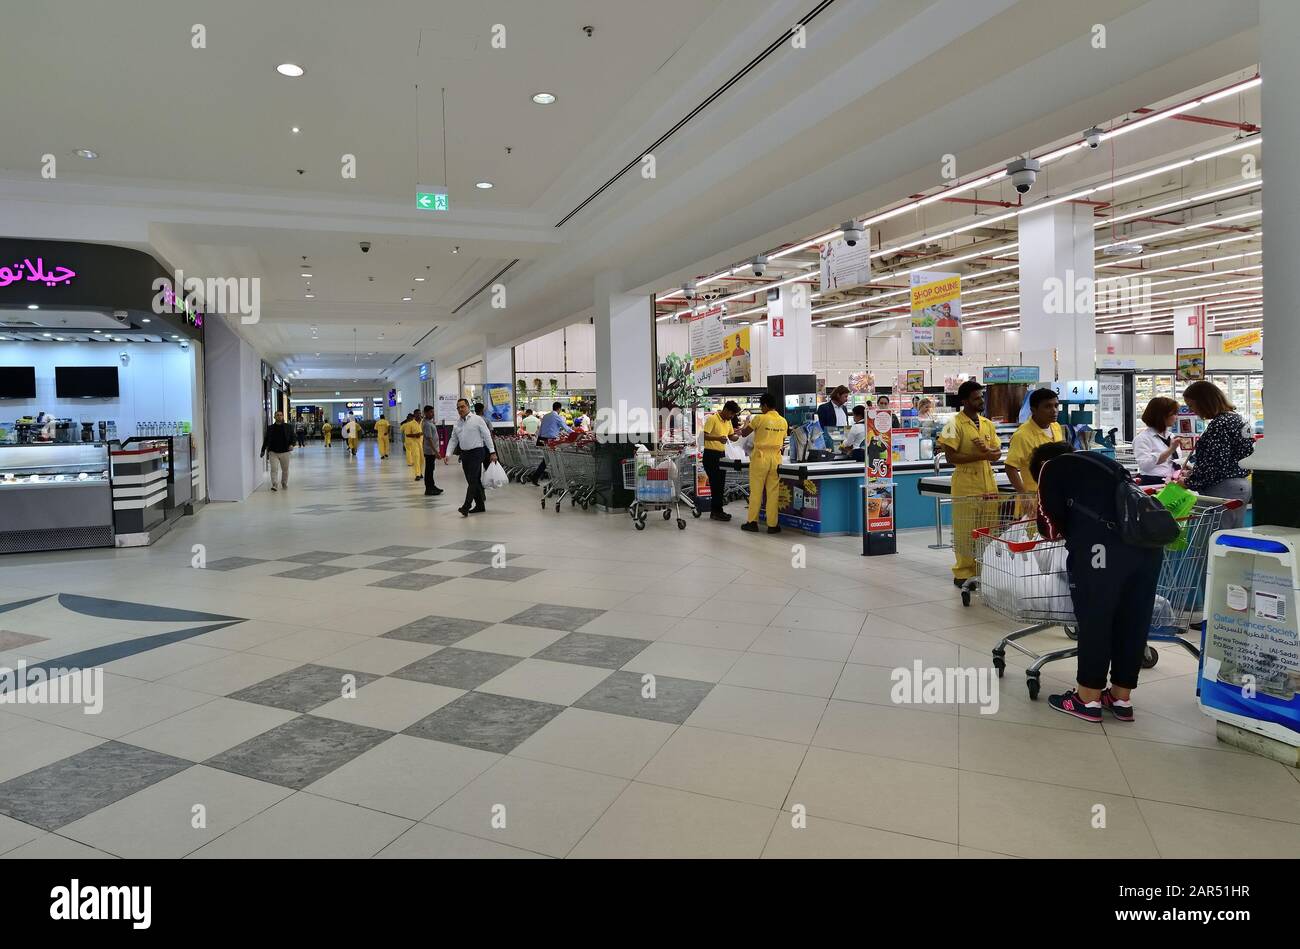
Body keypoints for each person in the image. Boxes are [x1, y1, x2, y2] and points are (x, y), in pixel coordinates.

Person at [1033, 441, 1161, 724]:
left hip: (1101, 552)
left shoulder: (1050, 469)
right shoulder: (1105, 465)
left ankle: (1087, 699)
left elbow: (1049, 527)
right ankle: (1120, 697)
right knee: (1133, 620)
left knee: (1096, 620)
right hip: (1147, 548)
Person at [938, 380, 1001, 589]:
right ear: (965, 401)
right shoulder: (952, 424)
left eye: (982, 396)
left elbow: (997, 454)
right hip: (965, 483)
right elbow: (950, 457)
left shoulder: (987, 424)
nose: (981, 400)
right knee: (966, 530)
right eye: (976, 398)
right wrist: (979, 453)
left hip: (988, 482)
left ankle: (985, 569)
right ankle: (964, 572)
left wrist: (990, 454)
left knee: (987, 530)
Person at [1182, 380, 1253, 529]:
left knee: (1214, 538)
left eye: (1192, 405)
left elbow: (1216, 464)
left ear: (1204, 402)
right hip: (1241, 486)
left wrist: (1189, 482)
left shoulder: (1219, 424)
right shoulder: (1236, 418)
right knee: (1231, 538)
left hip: (1222, 489)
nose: (1192, 410)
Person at [737, 392, 788, 534]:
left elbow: (744, 433)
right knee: (773, 492)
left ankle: (752, 522)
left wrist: (745, 424)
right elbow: (782, 441)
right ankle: (772, 525)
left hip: (760, 458)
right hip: (776, 459)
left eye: (761, 406)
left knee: (756, 492)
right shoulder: (783, 421)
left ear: (765, 405)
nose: (761, 408)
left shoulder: (759, 418)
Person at [1004, 387, 1063, 494]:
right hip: (1034, 496)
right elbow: (1010, 467)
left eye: (1056, 405)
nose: (1054, 410)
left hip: (1055, 493)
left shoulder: (1056, 427)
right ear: (1033, 410)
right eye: (1047, 406)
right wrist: (1024, 495)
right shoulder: (1022, 435)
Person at [445, 397, 497, 516]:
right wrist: (448, 454)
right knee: (472, 481)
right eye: (458, 408)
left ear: (468, 406)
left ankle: (466, 506)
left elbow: (487, 435)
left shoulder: (477, 419)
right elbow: (453, 440)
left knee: (473, 479)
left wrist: (492, 452)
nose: (460, 409)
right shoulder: (457, 423)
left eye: (462, 407)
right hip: (465, 454)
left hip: (477, 452)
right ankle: (480, 505)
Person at [701, 400, 741, 522]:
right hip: (711, 455)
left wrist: (739, 436)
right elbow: (704, 436)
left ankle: (718, 511)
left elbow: (730, 436)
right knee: (715, 484)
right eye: (732, 414)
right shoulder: (712, 419)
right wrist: (718, 438)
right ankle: (716, 511)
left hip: (722, 455)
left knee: (720, 484)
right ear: (726, 410)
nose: (732, 417)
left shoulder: (728, 421)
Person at [1133, 396, 1183, 486]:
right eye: (1174, 414)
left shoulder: (1171, 436)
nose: (1177, 417)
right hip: (1153, 484)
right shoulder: (1143, 438)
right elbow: (1145, 465)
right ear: (1162, 416)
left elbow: (1173, 462)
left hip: (1172, 483)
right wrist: (1170, 450)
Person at [532, 401, 572, 480]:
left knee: (547, 459)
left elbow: (541, 428)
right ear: (559, 409)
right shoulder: (556, 416)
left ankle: (535, 476)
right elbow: (566, 428)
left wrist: (539, 440)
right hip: (551, 441)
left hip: (542, 439)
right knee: (553, 459)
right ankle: (556, 478)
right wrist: (576, 434)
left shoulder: (546, 416)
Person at [260, 411, 295, 492]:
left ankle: (284, 482)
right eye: (277, 415)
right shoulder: (270, 428)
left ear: (283, 416)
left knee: (285, 470)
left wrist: (292, 445)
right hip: (273, 452)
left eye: (280, 415)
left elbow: (293, 437)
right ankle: (274, 484)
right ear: (274, 417)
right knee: (274, 469)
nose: (279, 416)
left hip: (285, 452)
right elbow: (266, 440)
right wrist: (263, 450)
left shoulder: (288, 427)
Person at [420, 405, 444, 496]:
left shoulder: (429, 422)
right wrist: (436, 452)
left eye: (433, 412)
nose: (432, 413)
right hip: (430, 451)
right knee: (429, 470)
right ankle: (428, 489)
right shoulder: (426, 424)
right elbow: (429, 439)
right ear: (425, 413)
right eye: (430, 412)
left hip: (432, 451)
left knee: (431, 469)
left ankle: (432, 486)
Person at [401, 413, 424, 480]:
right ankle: (417, 474)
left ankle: (420, 472)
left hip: (422, 443)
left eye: (420, 415)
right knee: (416, 457)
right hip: (413, 443)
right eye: (417, 415)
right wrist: (415, 435)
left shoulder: (423, 423)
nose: (419, 416)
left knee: (422, 459)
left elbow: (425, 432)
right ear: (414, 416)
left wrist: (421, 434)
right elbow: (407, 434)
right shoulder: (410, 424)